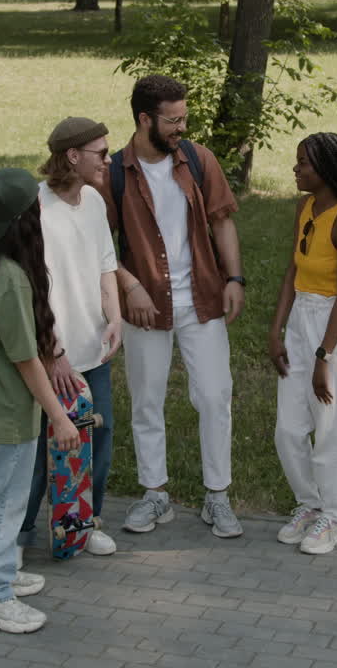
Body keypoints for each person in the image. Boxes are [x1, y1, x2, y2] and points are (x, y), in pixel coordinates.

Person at [96, 74, 247, 538]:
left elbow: (222, 222)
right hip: (145, 307)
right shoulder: (116, 172)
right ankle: (155, 494)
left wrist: (234, 278)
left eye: (185, 118)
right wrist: (130, 287)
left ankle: (216, 497)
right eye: (173, 120)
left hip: (201, 298)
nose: (182, 127)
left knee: (215, 395)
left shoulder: (199, 160)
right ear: (145, 119)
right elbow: (99, 242)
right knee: (147, 401)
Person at [0, 168, 80, 633]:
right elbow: (28, 360)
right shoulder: (9, 278)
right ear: (30, 215)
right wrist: (60, 417)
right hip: (7, 411)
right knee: (4, 502)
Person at [267, 132, 337, 555]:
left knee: (330, 428)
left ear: (327, 170)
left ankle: (334, 518)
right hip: (301, 319)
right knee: (288, 428)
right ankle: (309, 505)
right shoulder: (306, 207)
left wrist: (323, 356)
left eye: (304, 164)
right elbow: (292, 273)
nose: (296, 169)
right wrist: (276, 330)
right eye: (297, 162)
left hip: (334, 326)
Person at [15, 117, 123, 557]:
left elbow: (105, 264)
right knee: (43, 446)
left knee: (100, 434)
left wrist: (114, 316)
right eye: (101, 152)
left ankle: (85, 522)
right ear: (73, 156)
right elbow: (30, 289)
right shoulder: (35, 209)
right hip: (51, 355)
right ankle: (18, 533)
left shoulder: (95, 200)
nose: (109, 159)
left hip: (93, 348)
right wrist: (52, 354)